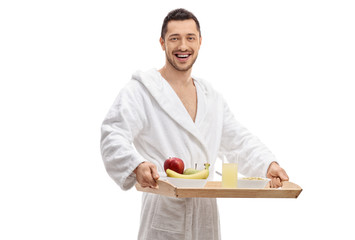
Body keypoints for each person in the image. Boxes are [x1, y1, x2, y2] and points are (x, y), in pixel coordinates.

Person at [100, 8, 289, 240]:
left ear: (200, 42)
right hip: (164, 212)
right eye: (174, 38)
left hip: (205, 214)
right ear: (162, 43)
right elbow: (113, 133)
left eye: (190, 38)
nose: (183, 46)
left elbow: (237, 140)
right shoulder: (142, 90)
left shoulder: (211, 97)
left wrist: (267, 164)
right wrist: (136, 165)